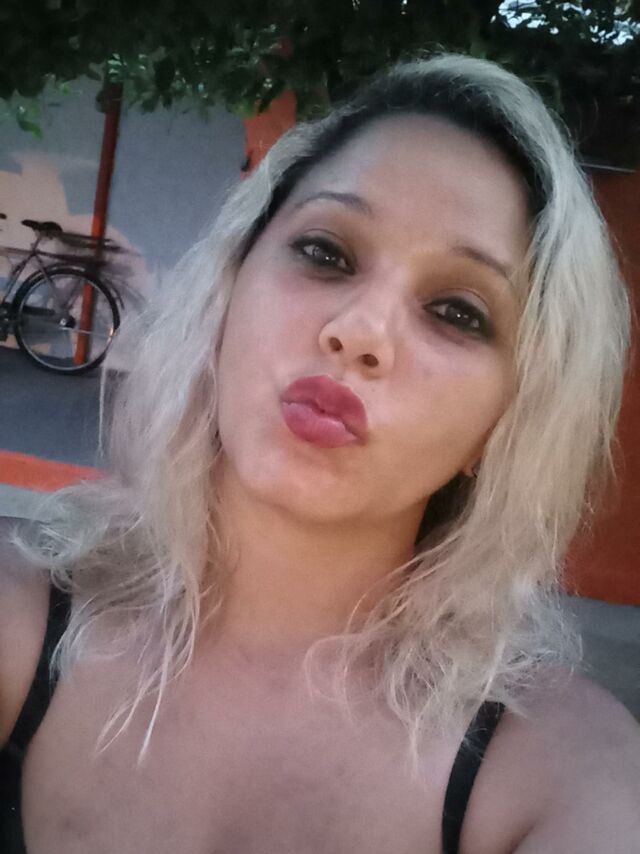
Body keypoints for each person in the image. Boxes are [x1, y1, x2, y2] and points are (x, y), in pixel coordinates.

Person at [1, 53, 639, 854]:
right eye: (327, 252)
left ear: (505, 422)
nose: (360, 331)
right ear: (230, 289)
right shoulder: (18, 619)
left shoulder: (563, 770)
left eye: (456, 311)